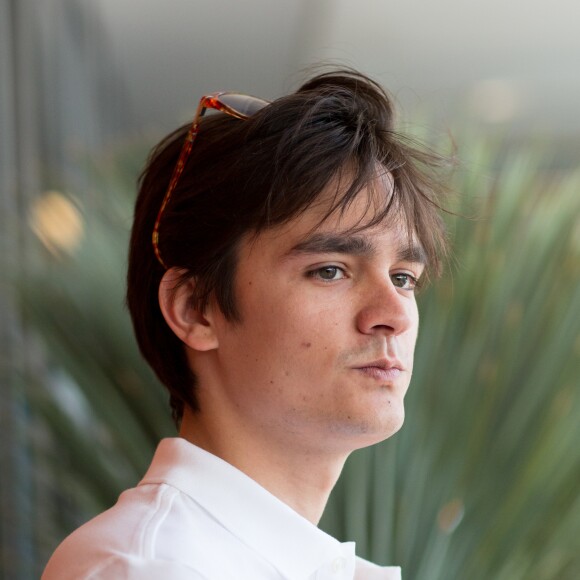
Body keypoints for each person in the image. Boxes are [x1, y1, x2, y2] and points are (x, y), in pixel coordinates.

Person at [43, 69, 449, 579]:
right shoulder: (151, 567)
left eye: (403, 278)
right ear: (195, 309)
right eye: (329, 270)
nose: (391, 315)